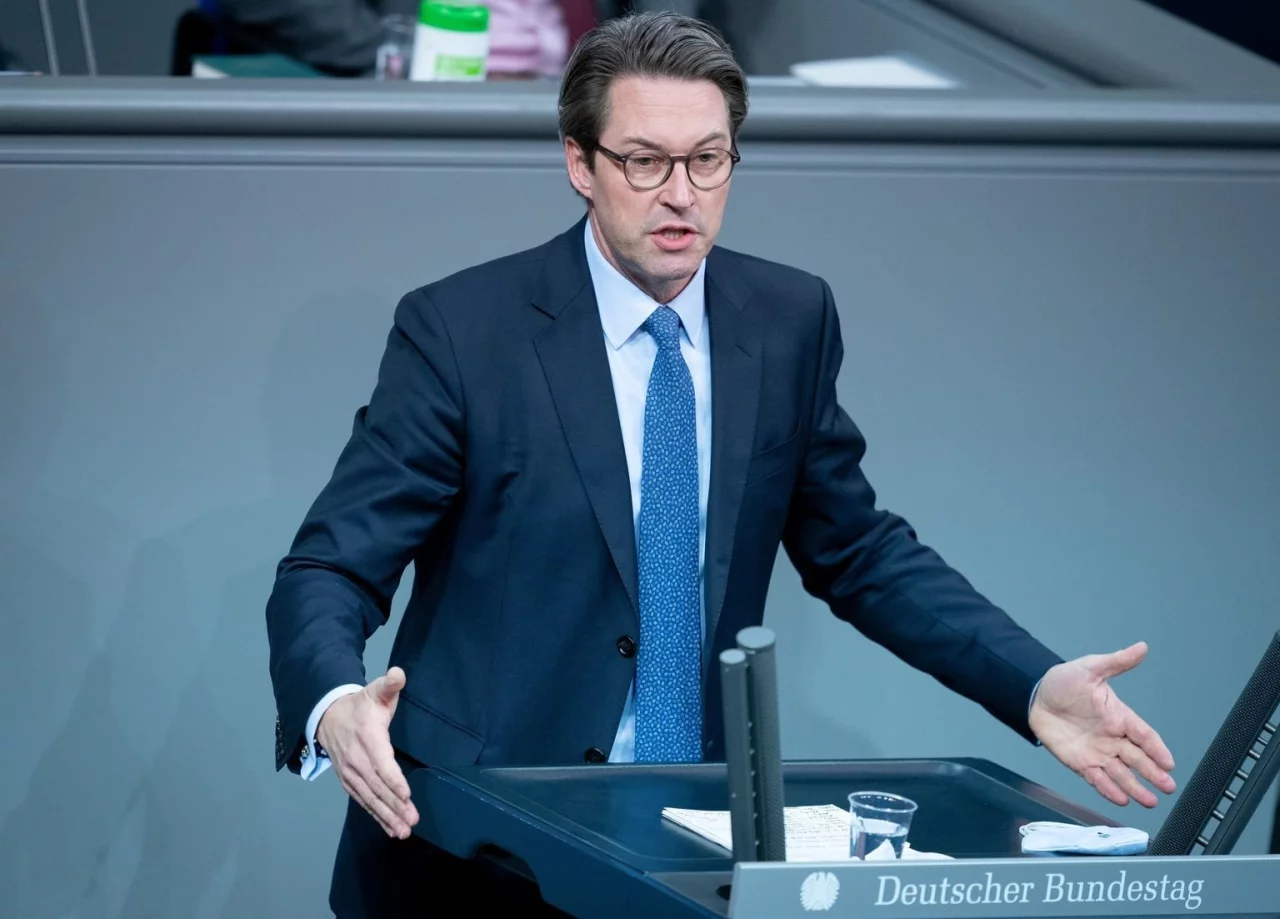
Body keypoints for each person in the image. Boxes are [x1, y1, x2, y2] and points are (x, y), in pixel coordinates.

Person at [265, 11, 1178, 917]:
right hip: (476, 844)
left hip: (684, 836)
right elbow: (330, 565)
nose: (682, 194)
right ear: (580, 163)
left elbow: (859, 549)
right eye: (645, 161)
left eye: (708, 159)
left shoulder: (786, 320)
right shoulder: (464, 331)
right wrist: (335, 700)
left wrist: (1030, 682)